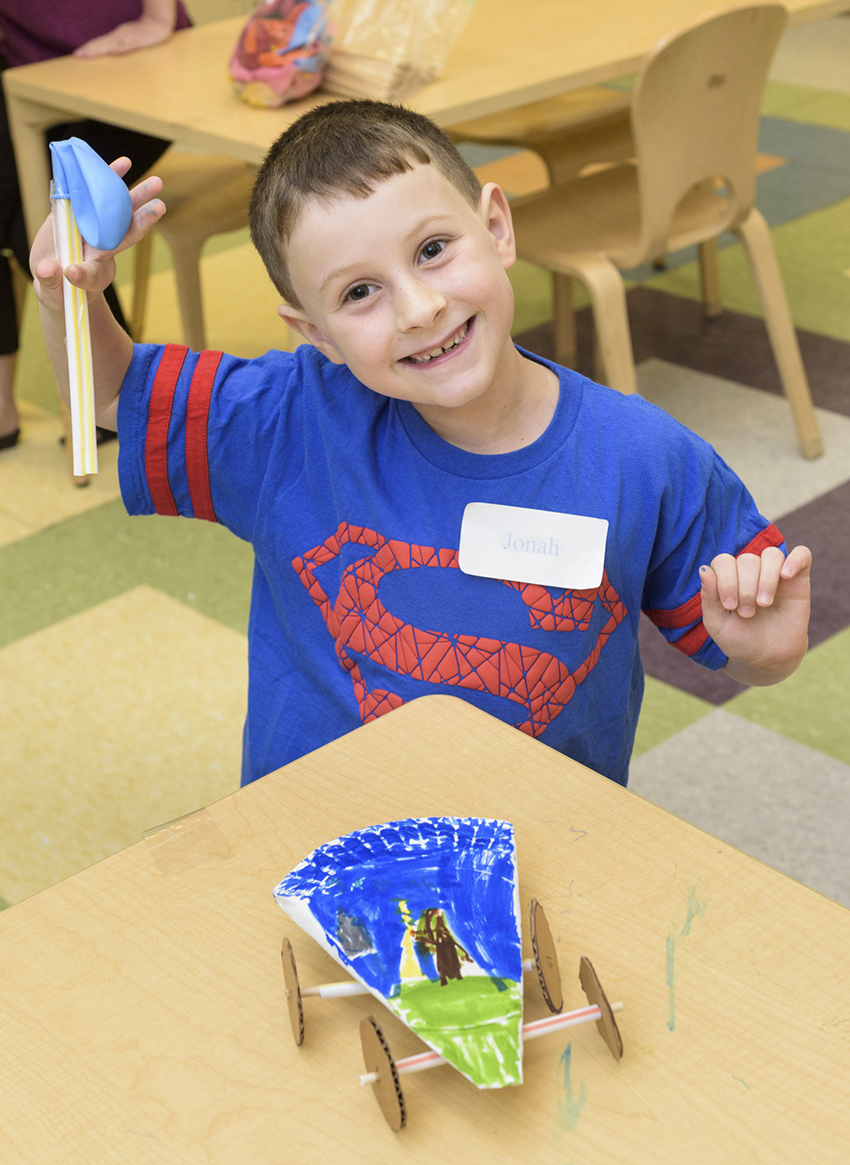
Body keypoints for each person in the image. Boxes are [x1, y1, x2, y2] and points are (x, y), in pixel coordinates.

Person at [29, 100, 812, 789]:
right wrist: (71, 296)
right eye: (357, 293)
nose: (418, 307)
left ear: (497, 228)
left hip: (542, 843)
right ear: (316, 334)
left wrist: (764, 654)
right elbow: (112, 395)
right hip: (318, 834)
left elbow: (744, 644)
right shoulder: (292, 421)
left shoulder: (646, 459)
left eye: (433, 249)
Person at [0, 0, 191, 447]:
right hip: (30, 75)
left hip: (134, 67)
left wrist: (158, 18)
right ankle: (104, 398)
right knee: (25, 217)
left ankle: (112, 398)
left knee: (32, 223)